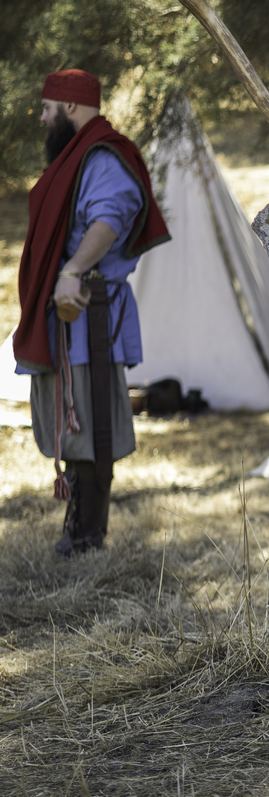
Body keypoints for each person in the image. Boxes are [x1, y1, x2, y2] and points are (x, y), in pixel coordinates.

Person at [13, 69, 170, 555]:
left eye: (47, 108)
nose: (42, 118)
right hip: (71, 312)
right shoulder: (81, 156)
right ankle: (80, 527)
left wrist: (73, 270)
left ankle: (88, 535)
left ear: (72, 108)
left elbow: (112, 215)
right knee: (70, 415)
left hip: (88, 312)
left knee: (90, 418)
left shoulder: (102, 156)